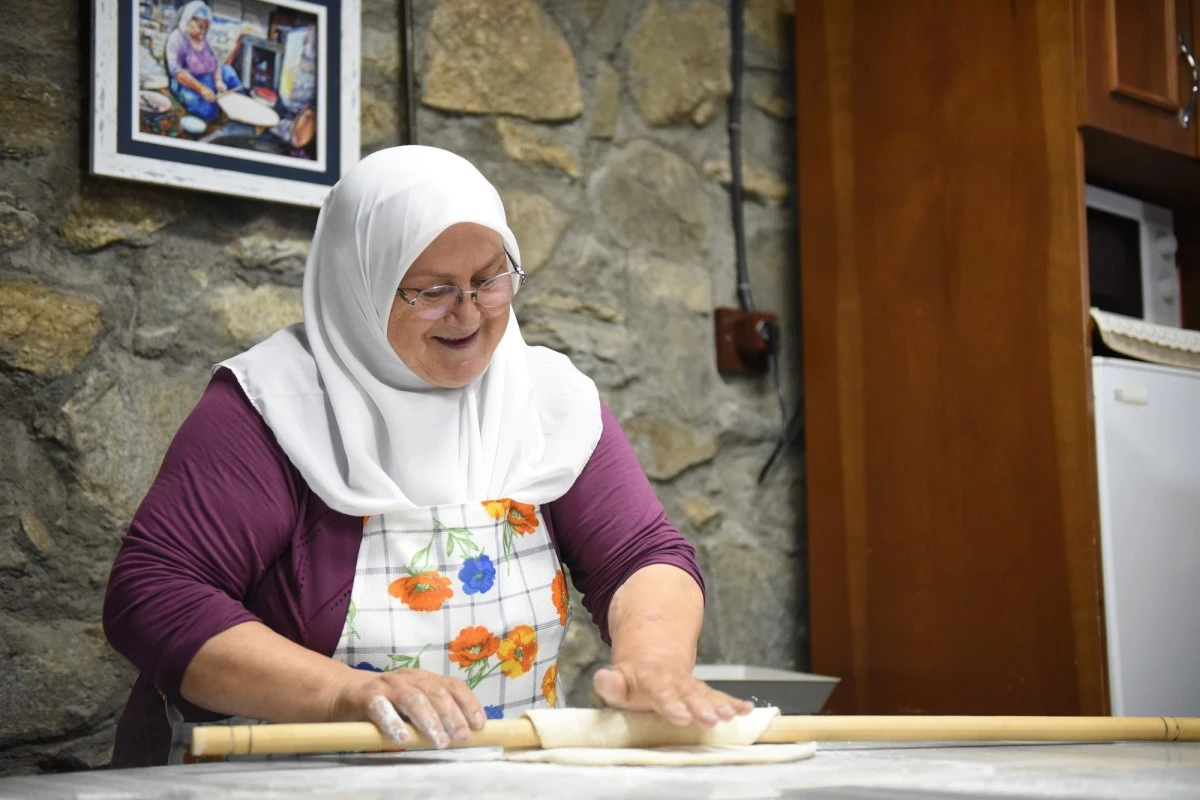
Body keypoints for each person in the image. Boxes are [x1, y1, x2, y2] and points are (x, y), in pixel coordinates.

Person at [102, 145, 754, 768]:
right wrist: (344, 693)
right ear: (360, 286)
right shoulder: (274, 406)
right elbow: (155, 596)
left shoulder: (545, 398)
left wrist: (654, 661)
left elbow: (642, 555)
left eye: (488, 278)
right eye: (432, 289)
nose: (468, 313)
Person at [165, 0, 241, 122]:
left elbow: (215, 63)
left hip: (208, 79)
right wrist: (201, 88)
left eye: (206, 26)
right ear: (188, 21)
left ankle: (237, 107)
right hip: (187, 83)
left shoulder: (205, 40)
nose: (204, 30)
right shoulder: (177, 38)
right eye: (200, 26)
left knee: (229, 71)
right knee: (207, 111)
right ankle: (221, 109)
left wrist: (218, 80)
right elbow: (177, 72)